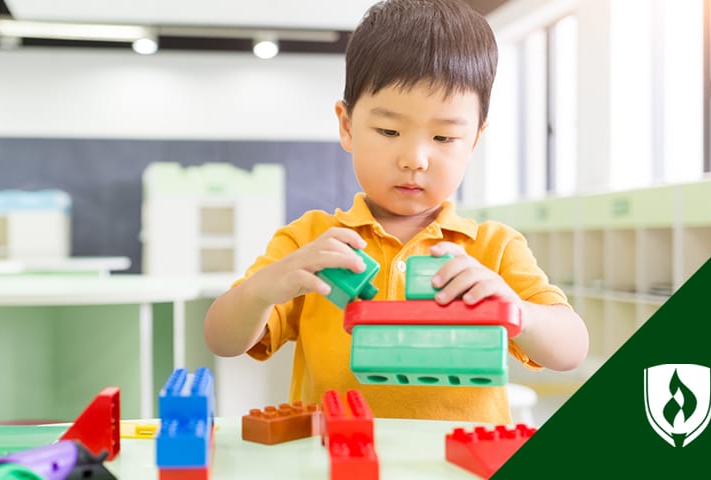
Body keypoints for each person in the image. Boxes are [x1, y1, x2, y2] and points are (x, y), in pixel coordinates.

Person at [203, 0, 588, 423]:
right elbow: (222, 339)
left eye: (443, 137)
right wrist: (264, 289)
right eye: (389, 131)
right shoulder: (312, 243)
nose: (415, 159)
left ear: (474, 140)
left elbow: (571, 349)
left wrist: (518, 310)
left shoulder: (492, 248)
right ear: (347, 126)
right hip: (336, 461)